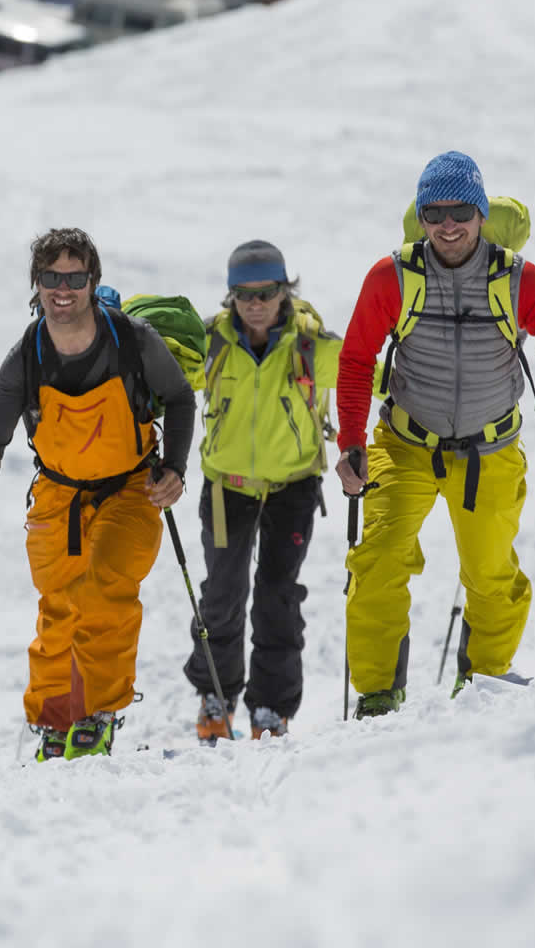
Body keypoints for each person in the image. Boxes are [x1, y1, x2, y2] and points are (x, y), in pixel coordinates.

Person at [334, 153, 535, 716]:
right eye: (435, 213)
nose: (447, 225)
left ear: (480, 213)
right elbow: (357, 359)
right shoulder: (393, 277)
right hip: (404, 445)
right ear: (421, 216)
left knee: (491, 574)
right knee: (377, 561)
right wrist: (351, 445)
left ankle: (483, 685)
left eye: (460, 211)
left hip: (491, 449)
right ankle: (379, 694)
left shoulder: (518, 278)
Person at [0, 228, 196, 760]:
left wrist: (174, 468)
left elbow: (181, 398)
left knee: (105, 589)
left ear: (92, 281)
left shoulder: (133, 339)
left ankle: (98, 714)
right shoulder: (26, 355)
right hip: (59, 493)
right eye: (52, 277)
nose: (63, 288)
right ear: (36, 283)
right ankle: (55, 722)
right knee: (58, 607)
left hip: (130, 486)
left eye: (75, 278)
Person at [186, 241, 342, 743]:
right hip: (226, 485)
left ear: (284, 290)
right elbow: (167, 382)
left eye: (267, 292)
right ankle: (216, 693)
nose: (255, 304)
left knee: (277, 595)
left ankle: (272, 707)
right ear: (231, 296)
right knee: (222, 593)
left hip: (293, 486)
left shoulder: (310, 344)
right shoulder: (211, 342)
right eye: (244, 294)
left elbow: (365, 374)